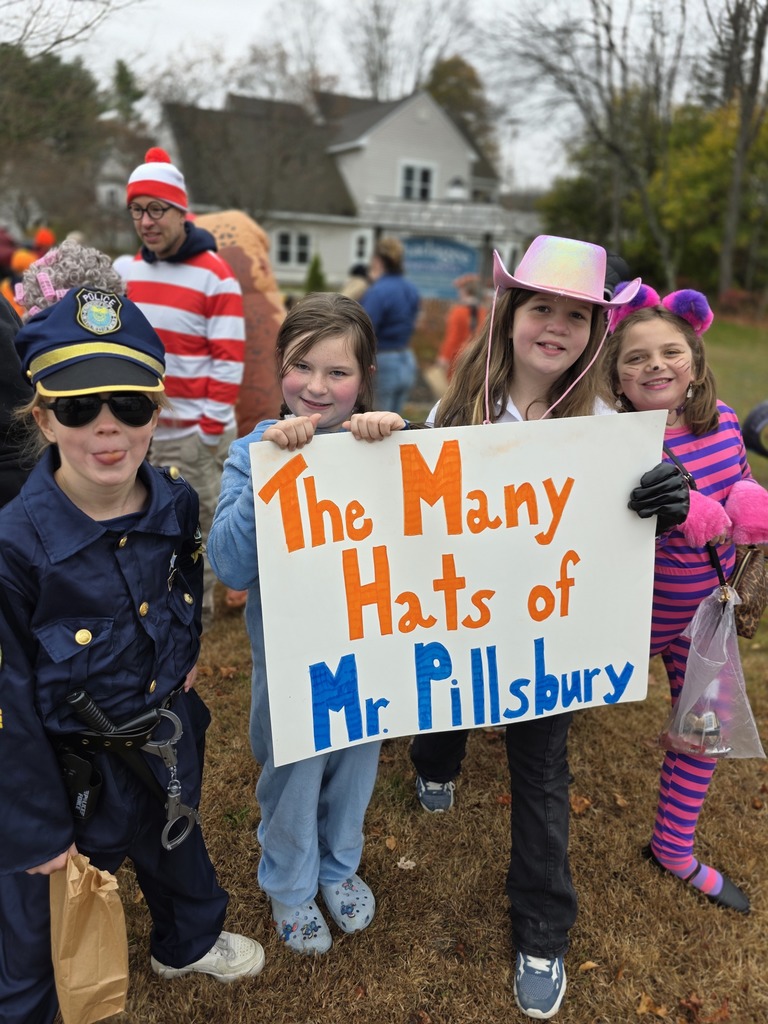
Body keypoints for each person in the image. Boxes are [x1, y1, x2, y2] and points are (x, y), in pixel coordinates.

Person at [407, 235, 690, 1020]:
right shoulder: (456, 410)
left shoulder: (611, 423)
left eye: (577, 314)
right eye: (542, 307)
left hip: (549, 630)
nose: (556, 326)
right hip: (463, 609)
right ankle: (435, 764)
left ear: (596, 330)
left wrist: (667, 498)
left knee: (540, 769)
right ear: (510, 314)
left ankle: (543, 929)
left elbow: (632, 529)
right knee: (450, 702)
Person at [0, 287, 264, 1024]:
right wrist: (35, 826)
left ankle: (187, 940)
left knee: (176, 846)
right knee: (37, 929)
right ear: (43, 417)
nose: (108, 426)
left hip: (160, 733)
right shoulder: (13, 548)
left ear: (156, 410)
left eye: (130, 403)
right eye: (79, 407)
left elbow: (184, 574)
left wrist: (184, 655)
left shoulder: (174, 499)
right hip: (66, 772)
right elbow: (8, 704)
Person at [207, 292, 410, 956]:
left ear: (365, 379)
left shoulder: (383, 445)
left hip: (369, 649)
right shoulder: (253, 453)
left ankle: (338, 865)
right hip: (293, 659)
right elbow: (229, 565)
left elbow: (433, 528)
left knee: (357, 760)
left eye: (338, 372)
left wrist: (399, 441)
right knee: (294, 768)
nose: (317, 387)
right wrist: (272, 473)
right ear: (280, 366)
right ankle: (290, 882)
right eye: (302, 366)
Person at [602, 283, 768, 915]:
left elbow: (740, 477)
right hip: (627, 618)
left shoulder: (722, 419)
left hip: (705, 615)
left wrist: (747, 501)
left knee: (705, 729)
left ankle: (672, 848)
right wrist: (674, 514)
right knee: (557, 711)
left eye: (671, 352)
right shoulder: (613, 440)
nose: (656, 365)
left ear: (695, 362)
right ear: (617, 378)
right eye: (636, 357)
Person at [125, 146, 246, 631]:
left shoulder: (215, 275)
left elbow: (229, 359)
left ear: (180, 211)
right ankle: (156, 601)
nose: (146, 221)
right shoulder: (128, 273)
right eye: (137, 210)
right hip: (141, 428)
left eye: (157, 209)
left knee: (201, 519)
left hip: (195, 429)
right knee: (146, 518)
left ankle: (205, 612)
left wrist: (208, 429)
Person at [360, 236, 420, 414]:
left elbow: (365, 329)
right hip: (406, 359)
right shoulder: (410, 289)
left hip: (384, 360)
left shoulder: (378, 291)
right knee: (395, 420)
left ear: (378, 261)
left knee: (377, 421)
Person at [435, 272, 487, 378]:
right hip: (477, 359)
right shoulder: (483, 312)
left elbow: (453, 337)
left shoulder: (458, 312)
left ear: (465, 290)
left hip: (456, 360)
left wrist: (444, 357)